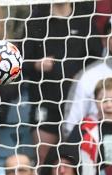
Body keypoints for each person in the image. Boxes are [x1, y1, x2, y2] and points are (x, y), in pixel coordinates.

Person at [22, 2, 102, 165]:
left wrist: (81, 74)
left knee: (77, 158)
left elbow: (97, 59)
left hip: (77, 105)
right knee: (44, 157)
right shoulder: (35, 21)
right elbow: (19, 63)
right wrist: (37, 65)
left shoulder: (84, 20)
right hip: (45, 102)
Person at [65, 77, 112, 175]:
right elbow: (69, 156)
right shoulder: (85, 128)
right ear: (95, 102)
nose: (109, 105)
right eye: (103, 100)